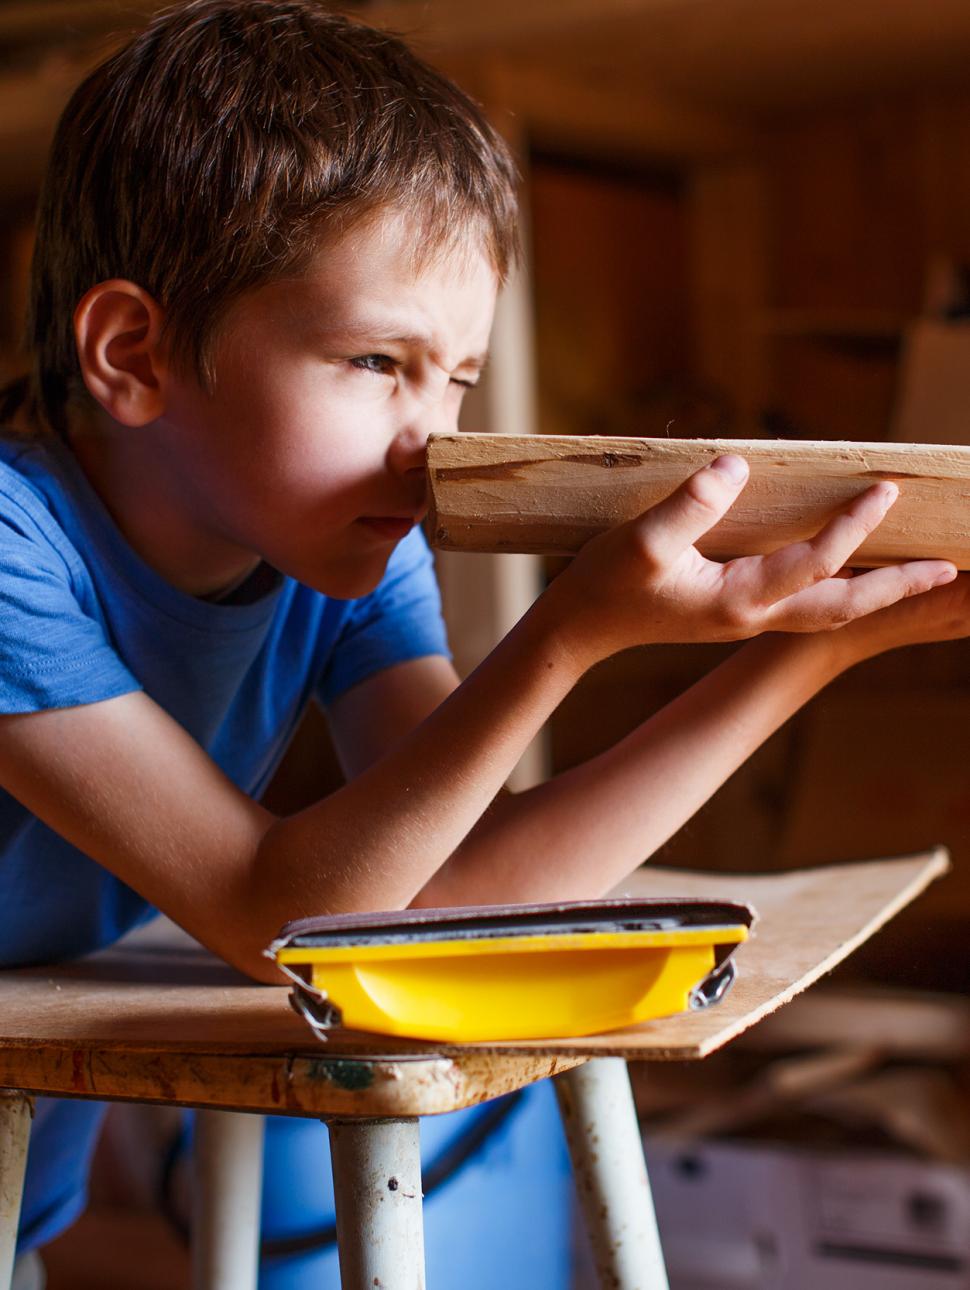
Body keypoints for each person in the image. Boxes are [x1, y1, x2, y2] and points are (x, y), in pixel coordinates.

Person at [2, 1, 969, 1285]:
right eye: (373, 361)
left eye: (454, 379)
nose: (431, 440)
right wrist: (566, 637)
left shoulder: (349, 539)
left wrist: (812, 651)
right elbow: (272, 914)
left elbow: (462, 893)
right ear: (134, 354)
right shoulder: (16, 544)